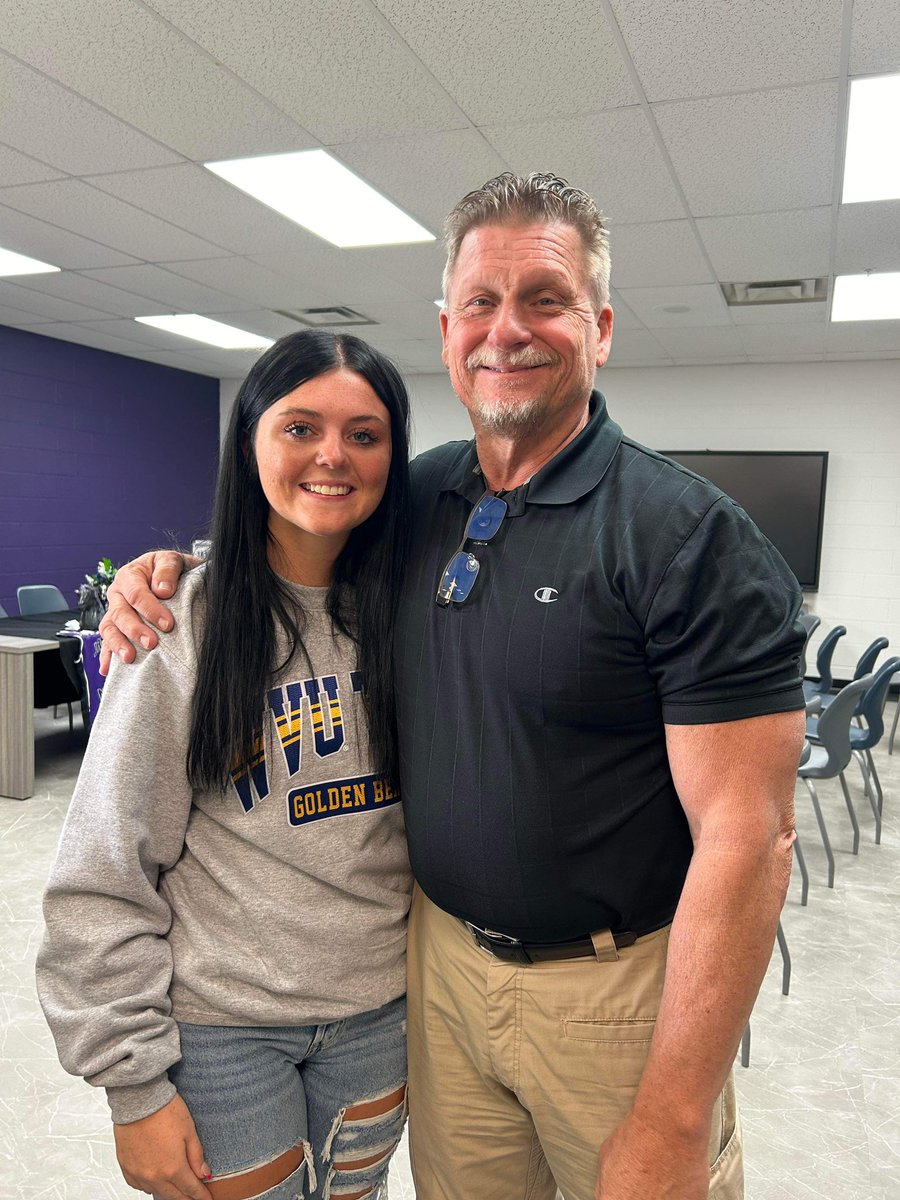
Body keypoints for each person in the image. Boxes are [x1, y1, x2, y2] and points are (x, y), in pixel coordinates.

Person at [98, 173, 807, 1200]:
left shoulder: (688, 538)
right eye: (481, 301)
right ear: (445, 333)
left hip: (612, 993)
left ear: (601, 326)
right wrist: (166, 573)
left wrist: (675, 1113)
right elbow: (292, 529)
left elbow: (752, 841)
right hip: (431, 980)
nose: (506, 329)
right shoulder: (419, 494)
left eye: (545, 299)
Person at [37, 330, 414, 1200]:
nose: (333, 455)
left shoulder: (411, 611)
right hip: (220, 1030)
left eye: (365, 434)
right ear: (248, 442)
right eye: (299, 428)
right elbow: (103, 868)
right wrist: (132, 1088)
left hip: (377, 1017)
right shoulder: (181, 622)